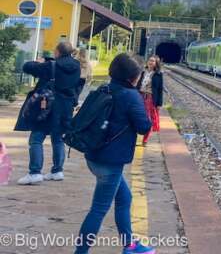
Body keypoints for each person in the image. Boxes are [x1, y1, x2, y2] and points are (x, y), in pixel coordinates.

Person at [74, 53, 154, 254]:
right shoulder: (130, 96)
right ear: (133, 77)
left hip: (94, 154)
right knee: (98, 210)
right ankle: (80, 252)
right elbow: (144, 127)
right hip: (110, 162)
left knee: (125, 198)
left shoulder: (103, 88)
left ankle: (130, 245)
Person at [15, 40, 81, 185]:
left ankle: (35, 172)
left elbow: (27, 67)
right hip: (66, 107)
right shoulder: (77, 66)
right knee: (58, 139)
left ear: (57, 51)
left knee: (36, 138)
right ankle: (57, 171)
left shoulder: (50, 66)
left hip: (48, 107)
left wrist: (38, 62)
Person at [139, 56, 164, 145]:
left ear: (156, 63)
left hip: (150, 98)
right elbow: (137, 84)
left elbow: (160, 89)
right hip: (140, 96)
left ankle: (145, 139)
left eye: (153, 61)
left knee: (148, 119)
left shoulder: (158, 74)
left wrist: (159, 103)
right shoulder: (142, 72)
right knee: (136, 116)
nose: (150, 62)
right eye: (150, 60)